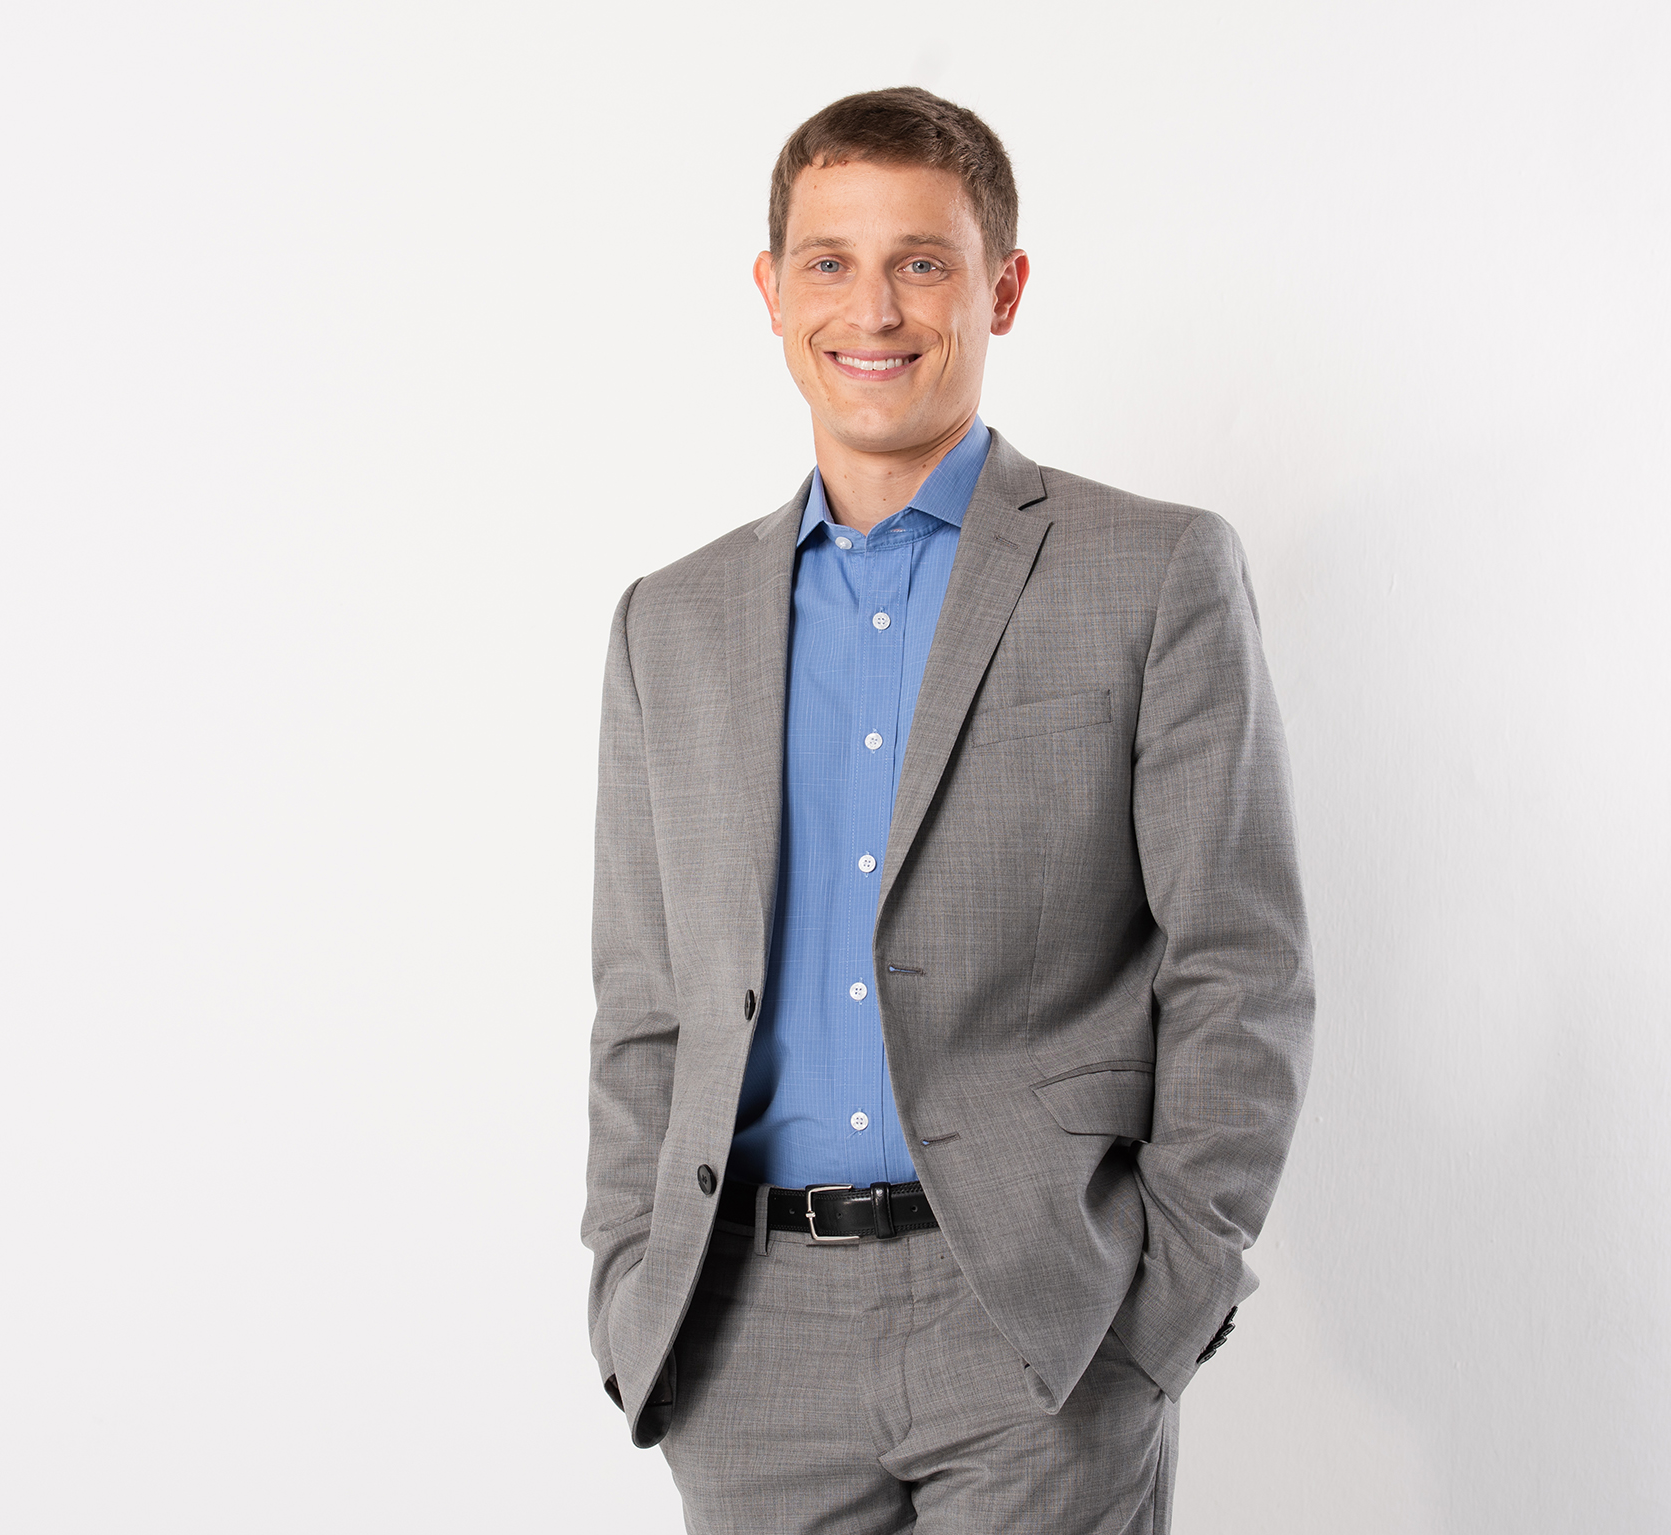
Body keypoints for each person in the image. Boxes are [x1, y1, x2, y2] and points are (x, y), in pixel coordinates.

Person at [581, 86, 1313, 1532]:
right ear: (772, 292)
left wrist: (1158, 1316)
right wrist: (628, 1285)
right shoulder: (671, 621)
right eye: (830, 262)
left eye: (922, 261)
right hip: (743, 1343)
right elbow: (645, 1005)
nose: (875, 309)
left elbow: (1242, 967)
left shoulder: (1153, 572)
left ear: (1004, 289)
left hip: (1039, 1325)